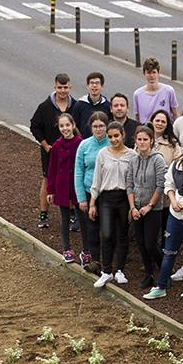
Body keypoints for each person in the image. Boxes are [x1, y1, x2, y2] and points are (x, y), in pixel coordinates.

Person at [143, 136, 183, 301]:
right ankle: (161, 286)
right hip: (175, 215)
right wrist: (174, 200)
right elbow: (169, 184)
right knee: (169, 251)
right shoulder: (177, 165)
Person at [89, 122, 135, 288]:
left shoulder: (132, 155)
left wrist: (133, 205)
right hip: (106, 198)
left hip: (124, 197)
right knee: (107, 234)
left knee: (122, 234)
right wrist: (92, 203)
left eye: (117, 135)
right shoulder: (102, 154)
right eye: (110, 137)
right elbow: (97, 180)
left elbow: (133, 181)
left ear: (123, 135)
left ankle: (120, 270)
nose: (114, 139)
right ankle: (106, 271)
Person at [29, 73, 75, 230]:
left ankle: (71, 213)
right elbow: (34, 126)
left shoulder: (75, 105)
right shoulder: (45, 107)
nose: (63, 91)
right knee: (48, 180)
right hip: (50, 152)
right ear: (54, 87)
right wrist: (45, 145)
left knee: (70, 180)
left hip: (70, 152)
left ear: (70, 87)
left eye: (66, 87)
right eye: (60, 87)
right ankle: (43, 214)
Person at [126, 127, 167, 290]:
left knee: (151, 244)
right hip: (136, 208)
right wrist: (132, 207)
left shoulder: (158, 159)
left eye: (145, 139)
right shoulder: (133, 160)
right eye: (139, 139)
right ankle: (149, 274)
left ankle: (163, 270)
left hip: (153, 208)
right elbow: (129, 185)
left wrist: (149, 205)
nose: (142, 142)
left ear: (151, 141)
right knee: (141, 243)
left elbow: (160, 184)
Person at [74, 112, 109, 274]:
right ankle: (95, 260)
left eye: (101, 125)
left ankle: (109, 262)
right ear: (90, 127)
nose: (98, 129)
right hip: (89, 193)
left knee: (108, 229)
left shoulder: (113, 143)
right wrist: (81, 198)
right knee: (92, 228)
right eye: (95, 126)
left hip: (108, 194)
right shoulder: (84, 146)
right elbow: (78, 172)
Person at [46, 113, 83, 263]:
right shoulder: (56, 146)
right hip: (62, 185)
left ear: (73, 125)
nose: (65, 128)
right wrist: (51, 190)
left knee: (82, 218)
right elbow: (52, 169)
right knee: (65, 217)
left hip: (77, 185)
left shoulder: (80, 143)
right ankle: (66, 249)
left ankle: (86, 250)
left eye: (67, 125)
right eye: (62, 126)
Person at [132, 57, 179, 123]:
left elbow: (175, 114)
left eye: (154, 72)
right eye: (148, 73)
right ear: (144, 74)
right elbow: (137, 118)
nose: (151, 76)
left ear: (158, 72)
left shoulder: (169, 91)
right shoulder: (137, 94)